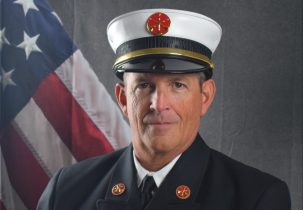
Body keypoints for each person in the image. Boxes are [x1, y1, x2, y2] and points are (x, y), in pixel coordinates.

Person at [36, 9, 291, 210]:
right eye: (144, 85)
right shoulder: (67, 192)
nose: (158, 104)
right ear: (123, 99)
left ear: (205, 96)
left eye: (177, 85)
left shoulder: (256, 198)